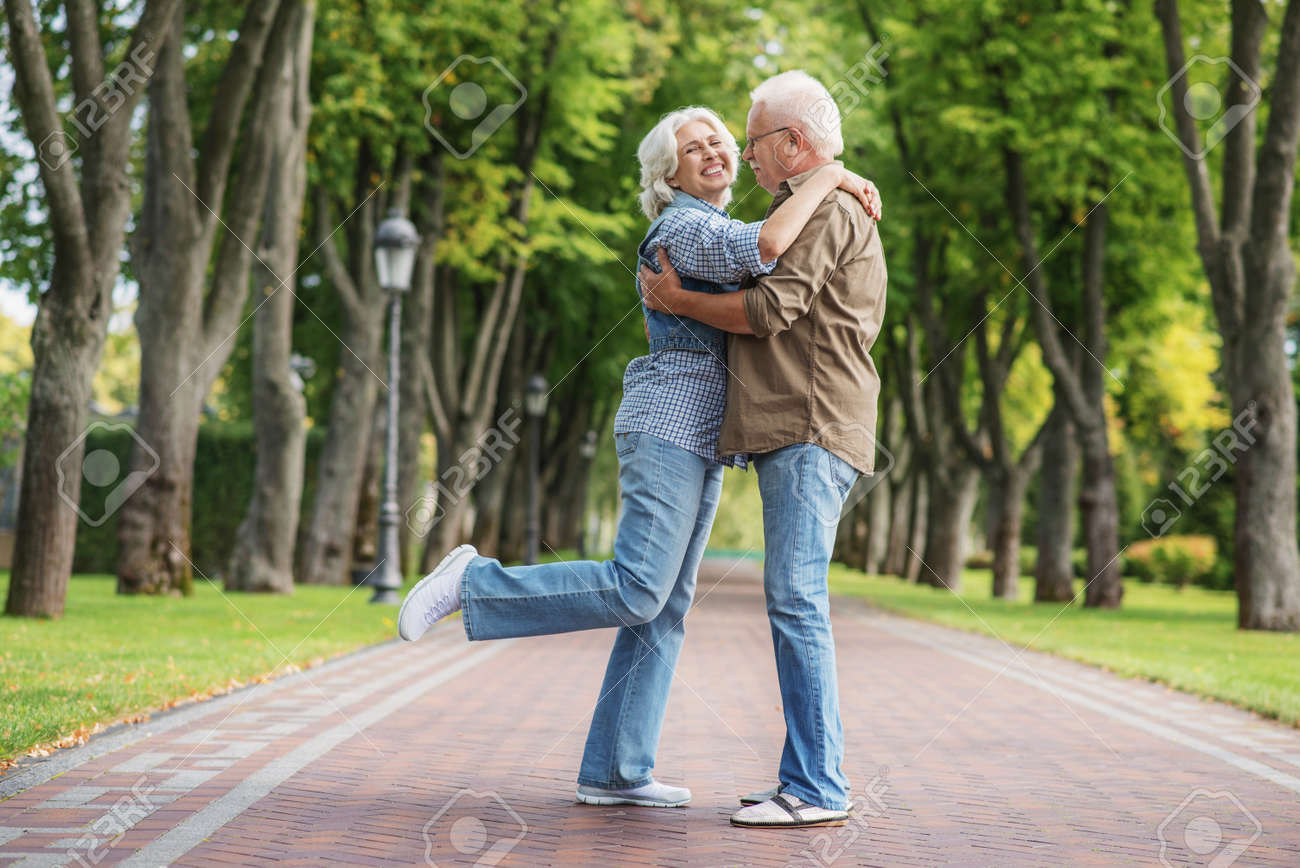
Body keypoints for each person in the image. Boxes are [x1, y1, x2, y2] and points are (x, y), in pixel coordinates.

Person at [398, 105, 880, 811]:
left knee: (662, 610)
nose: (715, 151)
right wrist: (834, 172)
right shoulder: (684, 228)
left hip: (705, 438)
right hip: (668, 425)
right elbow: (770, 246)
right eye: (693, 148)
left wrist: (836, 178)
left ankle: (616, 769)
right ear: (667, 176)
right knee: (636, 587)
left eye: (720, 140)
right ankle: (474, 584)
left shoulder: (716, 222)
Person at [639, 71, 888, 828]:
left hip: (811, 426)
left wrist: (678, 301)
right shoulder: (813, 200)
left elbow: (772, 309)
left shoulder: (826, 207)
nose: (745, 156)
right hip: (802, 428)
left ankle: (816, 788)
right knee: (796, 601)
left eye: (751, 141)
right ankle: (806, 774)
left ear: (792, 144)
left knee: (797, 601)